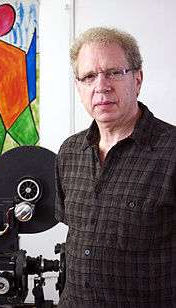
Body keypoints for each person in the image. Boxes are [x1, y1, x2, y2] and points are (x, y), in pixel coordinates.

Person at [55, 27, 176, 308]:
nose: (101, 86)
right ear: (79, 87)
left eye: (113, 72)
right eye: (88, 77)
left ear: (137, 79)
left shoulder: (171, 153)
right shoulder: (69, 152)